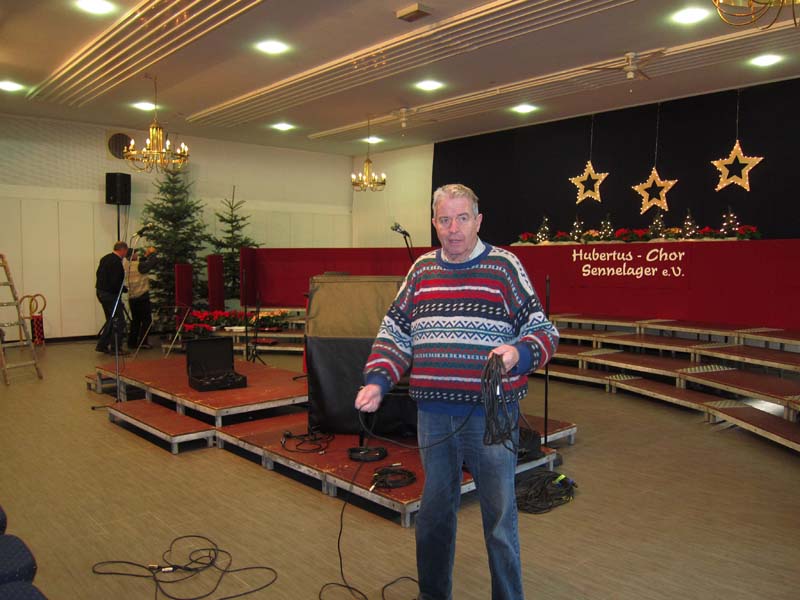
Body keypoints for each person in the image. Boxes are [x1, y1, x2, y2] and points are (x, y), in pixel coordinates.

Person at [355, 183, 559, 600]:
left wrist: (518, 353)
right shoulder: (421, 271)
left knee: (499, 518)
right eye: (445, 220)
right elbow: (395, 332)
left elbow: (544, 332)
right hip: (434, 417)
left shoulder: (504, 267)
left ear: (478, 221)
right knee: (434, 515)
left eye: (462, 218)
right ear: (434, 223)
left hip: (492, 416)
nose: (453, 229)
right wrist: (378, 380)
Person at [95, 241, 128, 354]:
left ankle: (102, 345)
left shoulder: (105, 258)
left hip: (101, 293)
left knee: (111, 320)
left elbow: (99, 274)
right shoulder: (116, 262)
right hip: (110, 295)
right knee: (119, 321)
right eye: (126, 251)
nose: (126, 254)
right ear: (122, 250)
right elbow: (115, 281)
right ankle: (116, 348)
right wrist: (123, 289)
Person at [126, 246, 156, 350]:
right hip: (142, 296)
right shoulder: (139, 265)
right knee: (147, 321)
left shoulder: (127, 265)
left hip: (132, 297)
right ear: (132, 255)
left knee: (135, 321)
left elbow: (142, 263)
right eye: (135, 253)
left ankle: (132, 342)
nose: (137, 255)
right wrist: (152, 253)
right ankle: (143, 342)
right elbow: (151, 264)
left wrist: (146, 256)